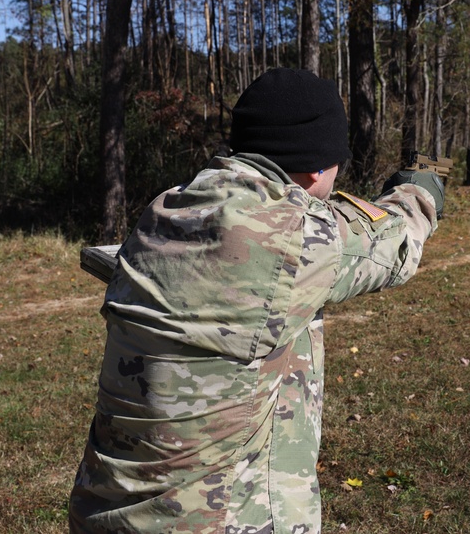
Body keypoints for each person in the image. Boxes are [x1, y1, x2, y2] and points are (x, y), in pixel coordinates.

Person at [69, 68, 444, 533]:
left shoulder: (163, 212)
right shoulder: (301, 238)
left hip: (105, 514)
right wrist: (420, 191)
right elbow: (395, 243)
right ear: (318, 168)